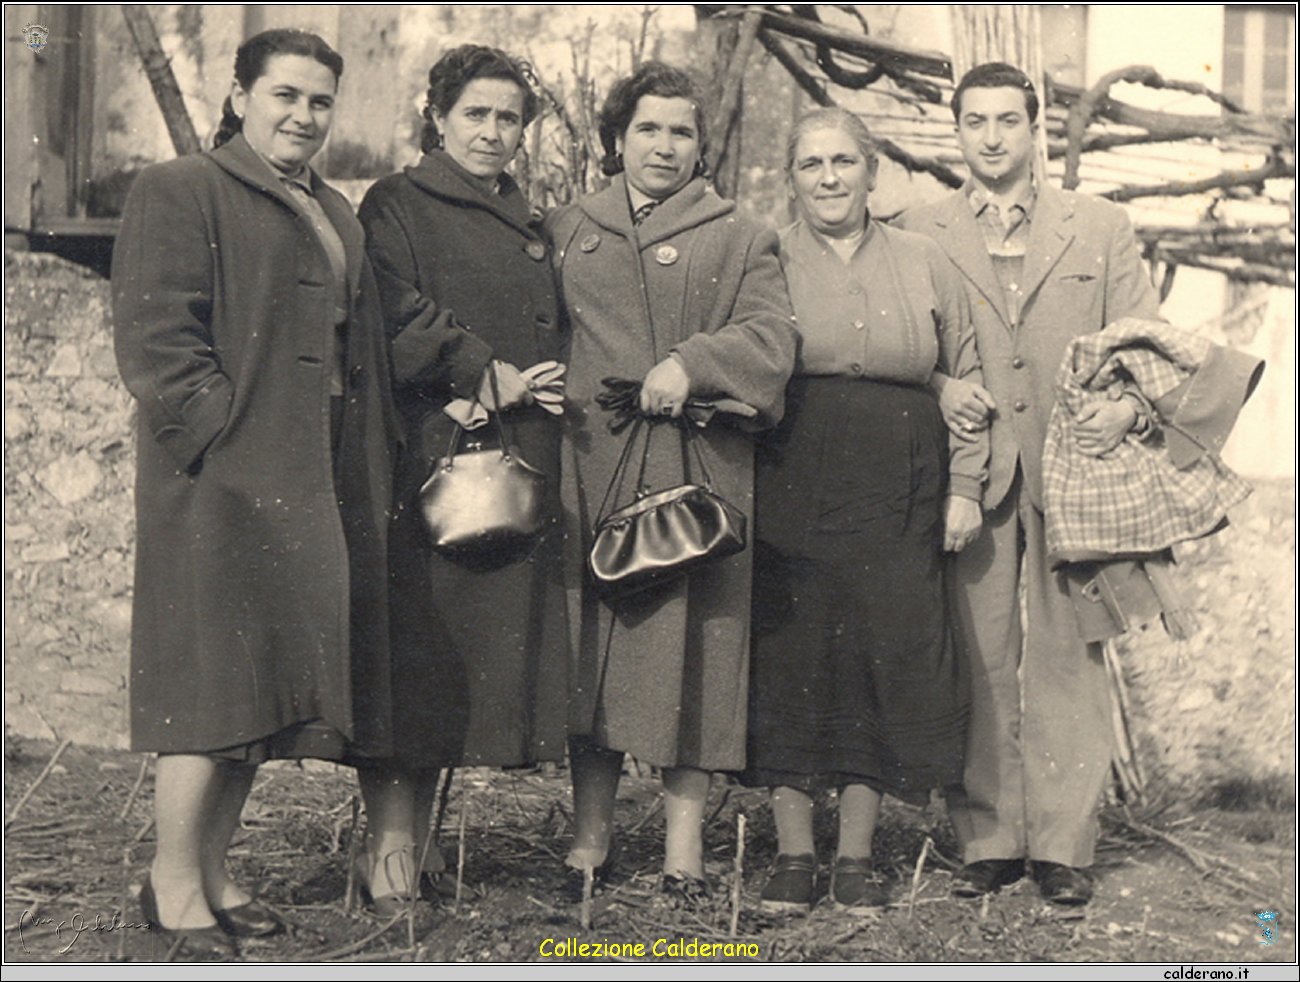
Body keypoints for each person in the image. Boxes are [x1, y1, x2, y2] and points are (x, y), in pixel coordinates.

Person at [112, 29, 399, 952]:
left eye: (319, 102)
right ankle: (168, 884)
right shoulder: (180, 189)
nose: (302, 116)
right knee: (208, 690)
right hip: (220, 484)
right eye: (283, 95)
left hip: (310, 482)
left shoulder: (336, 211)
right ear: (238, 97)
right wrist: (225, 438)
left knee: (263, 693)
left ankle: (214, 872)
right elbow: (158, 343)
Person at [899, 62, 1161, 906]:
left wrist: (1125, 413)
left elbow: (1145, 348)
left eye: (1007, 120)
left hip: (1078, 469)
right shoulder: (919, 228)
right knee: (974, 649)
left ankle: (1062, 844)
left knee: (1070, 653)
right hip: (970, 469)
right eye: (974, 121)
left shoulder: (1101, 225)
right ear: (957, 129)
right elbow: (909, 350)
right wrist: (941, 389)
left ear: (1034, 126)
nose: (991, 136)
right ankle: (987, 836)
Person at [546, 62, 798, 899]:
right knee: (595, 649)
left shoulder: (740, 235)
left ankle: (683, 847)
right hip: (590, 463)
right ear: (617, 138)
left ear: (701, 146)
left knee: (694, 651)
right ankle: (591, 836)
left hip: (698, 468)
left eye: (681, 131)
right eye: (647, 128)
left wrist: (693, 361)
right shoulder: (565, 226)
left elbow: (771, 338)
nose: (663, 146)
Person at [741, 107, 985, 912]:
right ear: (792, 177)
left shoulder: (924, 258)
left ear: (872, 170)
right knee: (792, 653)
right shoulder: (762, 255)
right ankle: (793, 855)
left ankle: (854, 858)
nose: (830, 178)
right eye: (812, 165)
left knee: (877, 654)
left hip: (903, 478)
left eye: (845, 161)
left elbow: (968, 381)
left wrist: (966, 487)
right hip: (791, 468)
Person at [356, 44, 567, 912]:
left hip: (504, 454)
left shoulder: (526, 213)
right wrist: (477, 369)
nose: (492, 131)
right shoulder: (397, 202)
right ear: (438, 118)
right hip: (430, 450)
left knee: (462, 663)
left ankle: (426, 843)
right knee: (417, 649)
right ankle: (391, 848)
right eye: (475, 113)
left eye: (508, 117)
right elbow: (390, 307)